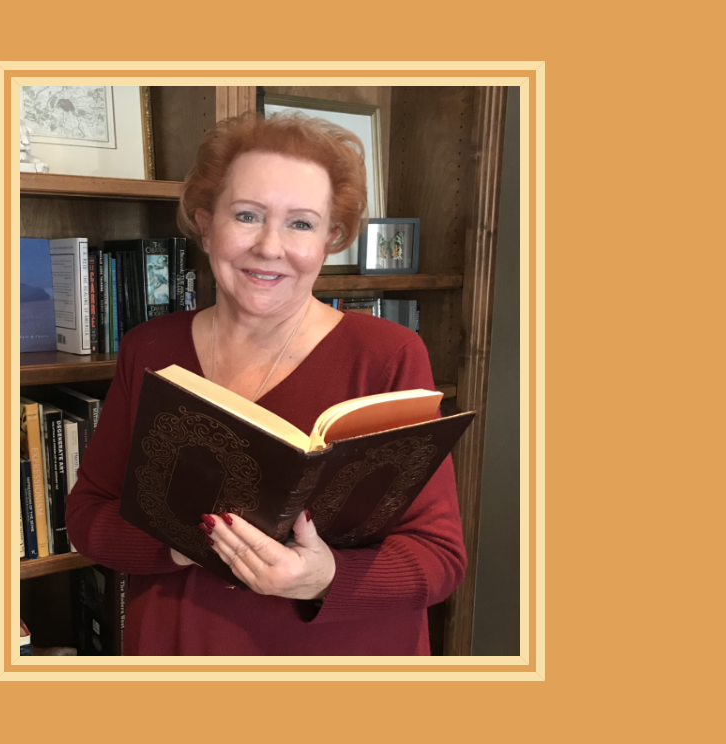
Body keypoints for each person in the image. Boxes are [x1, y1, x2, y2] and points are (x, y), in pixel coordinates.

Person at [65, 113, 466, 655]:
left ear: (330, 239)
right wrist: (185, 545)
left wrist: (323, 577)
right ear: (206, 225)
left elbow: (439, 557)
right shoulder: (149, 348)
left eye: (301, 224)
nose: (270, 247)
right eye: (247, 215)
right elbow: (89, 516)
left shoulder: (389, 355)